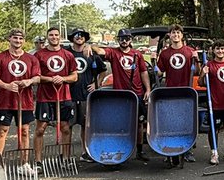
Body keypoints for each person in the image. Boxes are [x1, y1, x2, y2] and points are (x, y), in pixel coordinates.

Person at [92, 29, 152, 161]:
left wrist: (148, 89)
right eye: (121, 38)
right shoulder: (113, 53)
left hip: (137, 93)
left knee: (140, 122)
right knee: (121, 122)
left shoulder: (137, 54)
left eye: (126, 38)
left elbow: (143, 72)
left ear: (130, 39)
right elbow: (101, 51)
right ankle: (121, 148)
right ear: (118, 40)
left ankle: (140, 150)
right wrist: (91, 47)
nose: (124, 41)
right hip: (120, 95)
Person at [0, 28, 42, 177]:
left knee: (24, 132)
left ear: (24, 41)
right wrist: (6, 85)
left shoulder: (31, 59)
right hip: (4, 102)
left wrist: (29, 81)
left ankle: (23, 164)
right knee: (1, 133)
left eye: (20, 39)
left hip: (24, 102)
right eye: (15, 38)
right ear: (9, 39)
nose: (18, 41)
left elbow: (37, 77)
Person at [34, 26, 81, 166]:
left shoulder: (68, 55)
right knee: (40, 129)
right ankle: (38, 161)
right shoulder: (39, 55)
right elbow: (35, 76)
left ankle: (65, 158)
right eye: (51, 35)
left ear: (60, 37)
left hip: (64, 96)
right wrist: (50, 79)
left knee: (65, 128)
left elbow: (74, 76)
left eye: (56, 35)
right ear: (47, 37)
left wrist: (63, 79)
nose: (54, 37)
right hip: (45, 97)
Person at [156, 24, 200, 163]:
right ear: (170, 35)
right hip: (171, 92)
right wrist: (153, 63)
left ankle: (187, 150)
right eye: (173, 33)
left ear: (182, 35)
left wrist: (197, 58)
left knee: (186, 122)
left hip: (186, 92)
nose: (176, 35)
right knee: (170, 122)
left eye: (178, 33)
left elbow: (197, 71)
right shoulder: (164, 53)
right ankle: (169, 149)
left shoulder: (189, 52)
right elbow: (159, 72)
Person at [66, 28, 104, 162]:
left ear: (85, 38)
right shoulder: (67, 52)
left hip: (86, 95)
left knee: (85, 125)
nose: (79, 37)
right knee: (67, 126)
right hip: (69, 94)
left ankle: (85, 152)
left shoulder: (91, 53)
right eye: (76, 35)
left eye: (82, 36)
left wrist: (96, 83)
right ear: (72, 38)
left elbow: (103, 69)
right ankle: (66, 155)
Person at [203, 39, 224, 165]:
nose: (220, 51)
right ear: (213, 50)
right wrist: (203, 73)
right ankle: (214, 152)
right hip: (215, 103)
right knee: (214, 129)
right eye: (217, 48)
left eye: (222, 48)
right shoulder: (209, 65)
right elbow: (202, 83)